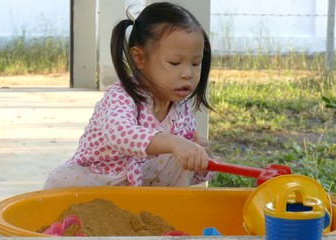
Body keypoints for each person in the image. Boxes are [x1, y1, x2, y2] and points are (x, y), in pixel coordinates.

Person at [44, 2, 216, 188]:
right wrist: (174, 143)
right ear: (139, 59)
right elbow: (119, 134)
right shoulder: (121, 96)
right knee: (61, 179)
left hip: (140, 191)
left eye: (196, 63)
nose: (187, 74)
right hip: (101, 181)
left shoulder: (181, 112)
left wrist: (199, 157)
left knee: (179, 158)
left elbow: (189, 174)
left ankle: (166, 210)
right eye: (175, 63)